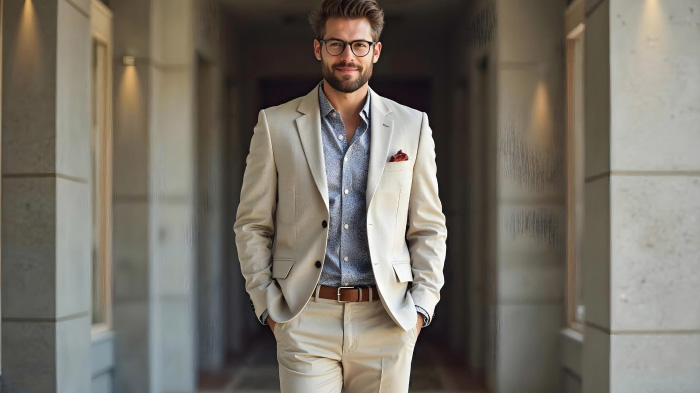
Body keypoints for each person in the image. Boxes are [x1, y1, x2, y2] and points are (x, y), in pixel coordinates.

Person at [234, 0, 447, 391]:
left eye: (359, 45)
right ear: (318, 48)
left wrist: (420, 309)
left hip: (387, 320)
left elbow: (429, 226)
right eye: (336, 44)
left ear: (375, 51)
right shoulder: (276, 125)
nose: (348, 56)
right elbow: (252, 224)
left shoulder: (411, 126)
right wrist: (269, 307)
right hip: (304, 318)